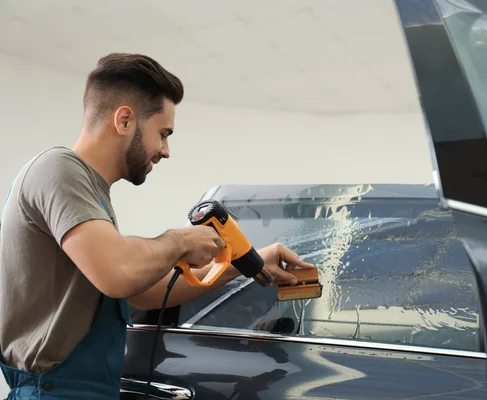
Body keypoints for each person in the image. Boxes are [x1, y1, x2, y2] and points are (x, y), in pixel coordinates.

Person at [0, 53, 315, 399]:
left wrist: (241, 265)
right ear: (124, 120)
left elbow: (140, 289)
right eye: (163, 134)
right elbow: (119, 271)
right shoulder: (58, 170)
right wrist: (179, 240)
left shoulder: (90, 194)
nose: (165, 150)